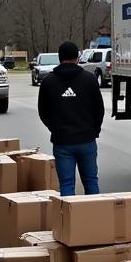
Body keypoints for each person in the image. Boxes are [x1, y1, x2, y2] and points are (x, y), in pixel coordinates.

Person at [37, 40, 103, 195]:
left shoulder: (48, 82)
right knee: (91, 181)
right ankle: (97, 217)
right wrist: (94, 131)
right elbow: (99, 110)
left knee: (66, 184)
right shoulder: (89, 79)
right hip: (87, 139)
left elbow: (43, 112)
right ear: (77, 57)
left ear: (60, 58)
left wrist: (55, 129)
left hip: (62, 142)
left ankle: (69, 218)